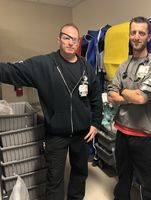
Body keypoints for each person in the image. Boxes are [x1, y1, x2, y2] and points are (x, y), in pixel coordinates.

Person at [0, 23, 103, 200]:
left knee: (80, 174)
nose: (70, 42)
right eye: (66, 38)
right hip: (56, 134)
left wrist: (95, 123)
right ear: (59, 39)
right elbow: (11, 70)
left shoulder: (86, 67)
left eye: (74, 39)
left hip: (81, 133)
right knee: (54, 178)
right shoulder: (44, 64)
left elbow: (96, 98)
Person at [107, 16, 151, 200]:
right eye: (133, 32)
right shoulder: (123, 65)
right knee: (123, 179)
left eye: (141, 33)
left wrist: (122, 92)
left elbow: (141, 98)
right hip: (122, 133)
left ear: (149, 36)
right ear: (129, 35)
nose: (137, 37)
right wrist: (129, 95)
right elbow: (110, 95)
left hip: (144, 136)